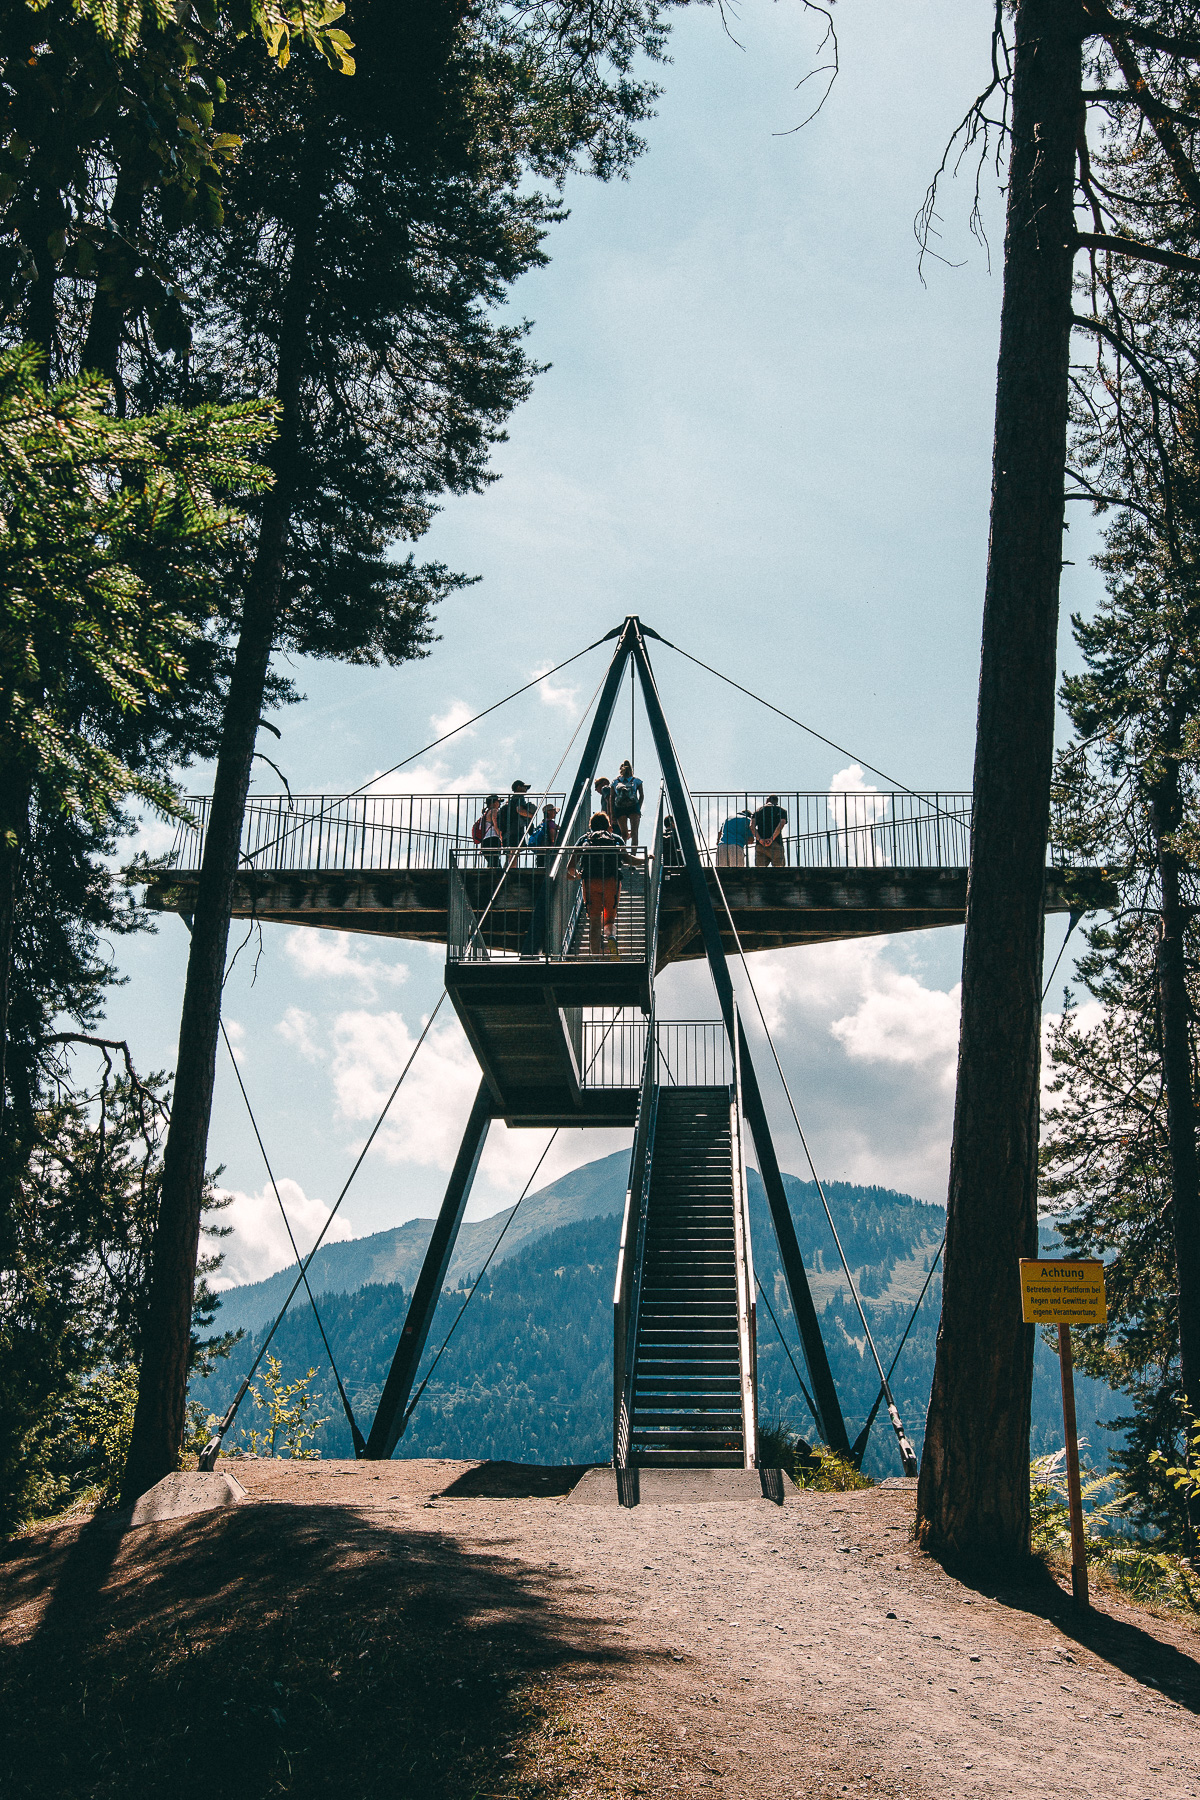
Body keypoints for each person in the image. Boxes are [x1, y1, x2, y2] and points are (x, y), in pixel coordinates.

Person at [569, 810, 628, 956]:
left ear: (591, 826)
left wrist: (575, 876)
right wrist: (646, 858)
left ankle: (595, 957)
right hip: (611, 882)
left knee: (595, 922)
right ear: (609, 826)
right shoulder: (615, 838)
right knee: (609, 920)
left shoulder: (584, 839)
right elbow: (627, 859)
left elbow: (570, 867)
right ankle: (610, 936)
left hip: (590, 882)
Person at [611, 760, 644, 849]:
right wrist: (638, 808)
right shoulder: (637, 781)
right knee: (634, 832)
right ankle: (633, 854)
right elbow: (641, 795)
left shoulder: (615, 782)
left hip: (620, 808)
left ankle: (623, 853)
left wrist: (612, 814)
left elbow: (612, 798)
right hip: (633, 807)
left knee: (623, 833)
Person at [498, 780, 536, 857]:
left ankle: (508, 868)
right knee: (514, 854)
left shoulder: (510, 801)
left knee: (510, 855)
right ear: (518, 787)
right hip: (516, 831)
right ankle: (511, 869)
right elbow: (519, 810)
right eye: (524, 787)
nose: (526, 790)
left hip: (507, 833)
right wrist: (531, 815)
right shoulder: (519, 797)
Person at [752, 794, 788, 868]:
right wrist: (772, 838)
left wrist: (760, 839)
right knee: (780, 872)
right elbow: (781, 824)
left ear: (767, 801)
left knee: (759, 872)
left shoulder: (758, 811)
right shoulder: (782, 811)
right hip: (777, 843)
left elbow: (751, 826)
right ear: (776, 802)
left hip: (760, 845)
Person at [472, 794, 503, 868]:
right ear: (494, 802)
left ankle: (493, 878)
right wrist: (501, 837)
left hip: (485, 841)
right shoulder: (494, 810)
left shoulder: (485, 813)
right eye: (498, 802)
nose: (499, 804)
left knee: (492, 863)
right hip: (493, 839)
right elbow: (495, 824)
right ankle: (498, 878)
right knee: (495, 863)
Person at [527, 803, 559, 868]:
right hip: (548, 850)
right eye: (554, 811)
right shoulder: (551, 823)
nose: (555, 813)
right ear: (549, 812)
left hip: (540, 849)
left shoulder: (542, 823)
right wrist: (554, 844)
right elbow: (552, 838)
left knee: (540, 866)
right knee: (549, 868)